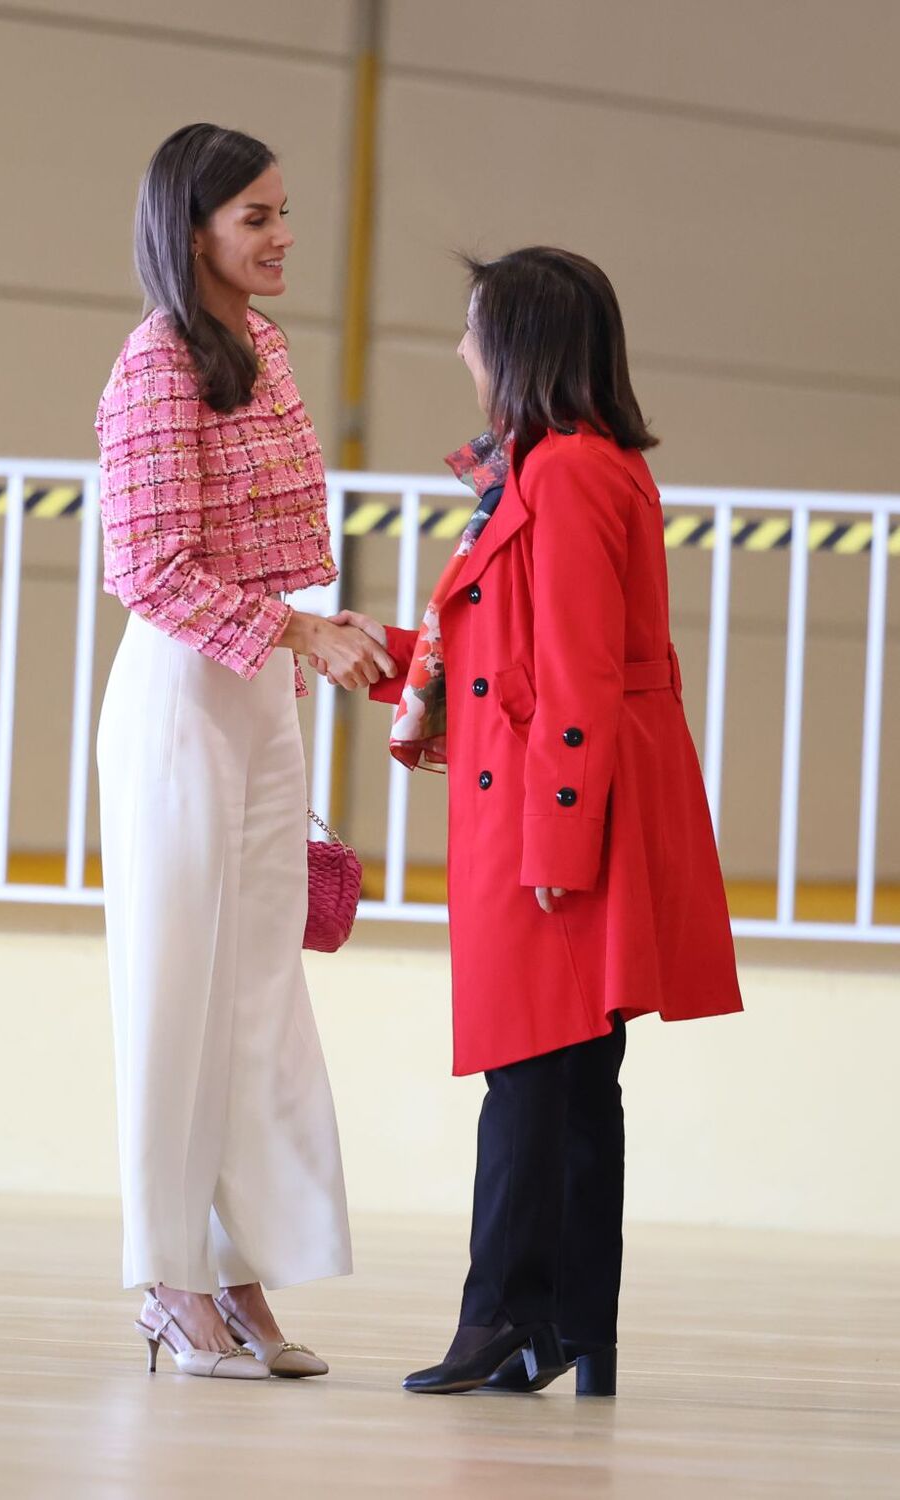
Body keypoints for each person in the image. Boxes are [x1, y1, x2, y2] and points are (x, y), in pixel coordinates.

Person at [317, 247, 743, 1396]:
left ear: (517, 345)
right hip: (567, 789)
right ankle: (568, 1328)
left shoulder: (564, 475)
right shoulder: (559, 469)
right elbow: (517, 654)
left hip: (562, 805)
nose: (460, 349)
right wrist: (392, 655)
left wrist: (560, 838)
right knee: (569, 1076)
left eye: (472, 328)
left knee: (533, 1072)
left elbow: (578, 673)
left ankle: (503, 1314)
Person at [95, 123, 394, 1381]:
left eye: (284, 213)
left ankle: (237, 1266)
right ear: (194, 225)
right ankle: (169, 1280)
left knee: (260, 993)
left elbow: (271, 542)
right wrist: (298, 631)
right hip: (181, 696)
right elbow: (147, 570)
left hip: (259, 688)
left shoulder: (260, 347)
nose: (281, 238)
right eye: (256, 217)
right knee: (178, 994)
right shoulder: (154, 363)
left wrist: (323, 633)